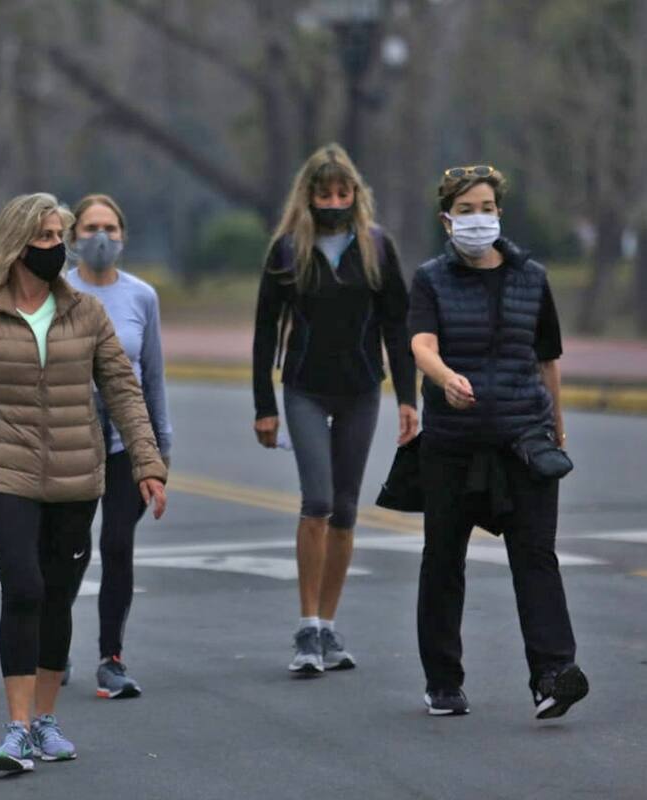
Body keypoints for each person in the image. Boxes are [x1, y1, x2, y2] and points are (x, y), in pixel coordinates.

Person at [0, 192, 168, 772]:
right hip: (6, 474)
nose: (55, 248)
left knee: (58, 596)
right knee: (22, 589)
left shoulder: (86, 313)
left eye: (57, 237)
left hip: (76, 477)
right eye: (44, 237)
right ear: (15, 245)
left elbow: (124, 388)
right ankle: (15, 729)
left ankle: (45, 719)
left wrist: (147, 462)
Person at [409, 165, 588, 719]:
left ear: (499, 213)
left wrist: (556, 426)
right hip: (454, 442)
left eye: (485, 207)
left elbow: (547, 360)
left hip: (523, 439)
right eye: (465, 210)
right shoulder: (431, 279)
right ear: (446, 219)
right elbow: (421, 342)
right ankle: (444, 680)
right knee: (444, 560)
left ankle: (553, 674)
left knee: (536, 556)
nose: (476, 218)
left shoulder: (531, 278)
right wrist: (445, 379)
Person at [252, 143, 417, 675]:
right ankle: (306, 626)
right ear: (309, 197)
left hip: (362, 389)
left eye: (342, 192)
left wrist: (410, 399)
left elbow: (398, 323)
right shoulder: (286, 251)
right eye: (324, 193)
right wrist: (265, 406)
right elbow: (263, 332)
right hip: (304, 387)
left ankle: (328, 624)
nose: (334, 201)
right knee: (317, 501)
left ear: (355, 195)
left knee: (346, 511)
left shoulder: (376, 248)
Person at [64, 193, 172, 699]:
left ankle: (111, 657)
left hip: (127, 440)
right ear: (71, 237)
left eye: (109, 227)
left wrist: (159, 450)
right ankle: (51, 643)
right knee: (68, 548)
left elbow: (152, 377)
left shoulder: (141, 297)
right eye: (89, 228)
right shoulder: (55, 293)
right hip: (69, 441)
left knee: (117, 545)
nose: (100, 237)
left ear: (124, 236)